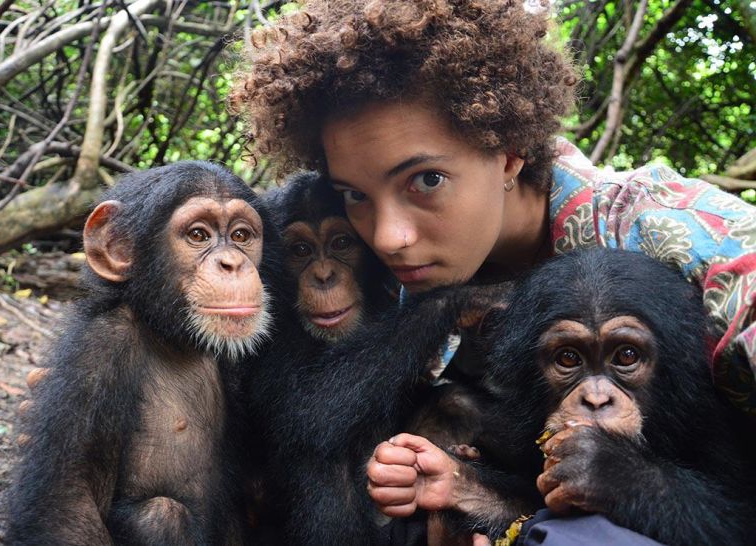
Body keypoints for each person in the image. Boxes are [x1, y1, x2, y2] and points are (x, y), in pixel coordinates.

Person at [231, 0, 756, 543]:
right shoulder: (365, 258)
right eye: (355, 194)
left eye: (426, 180)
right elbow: (307, 429)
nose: (388, 236)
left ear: (509, 153)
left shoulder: (679, 235)